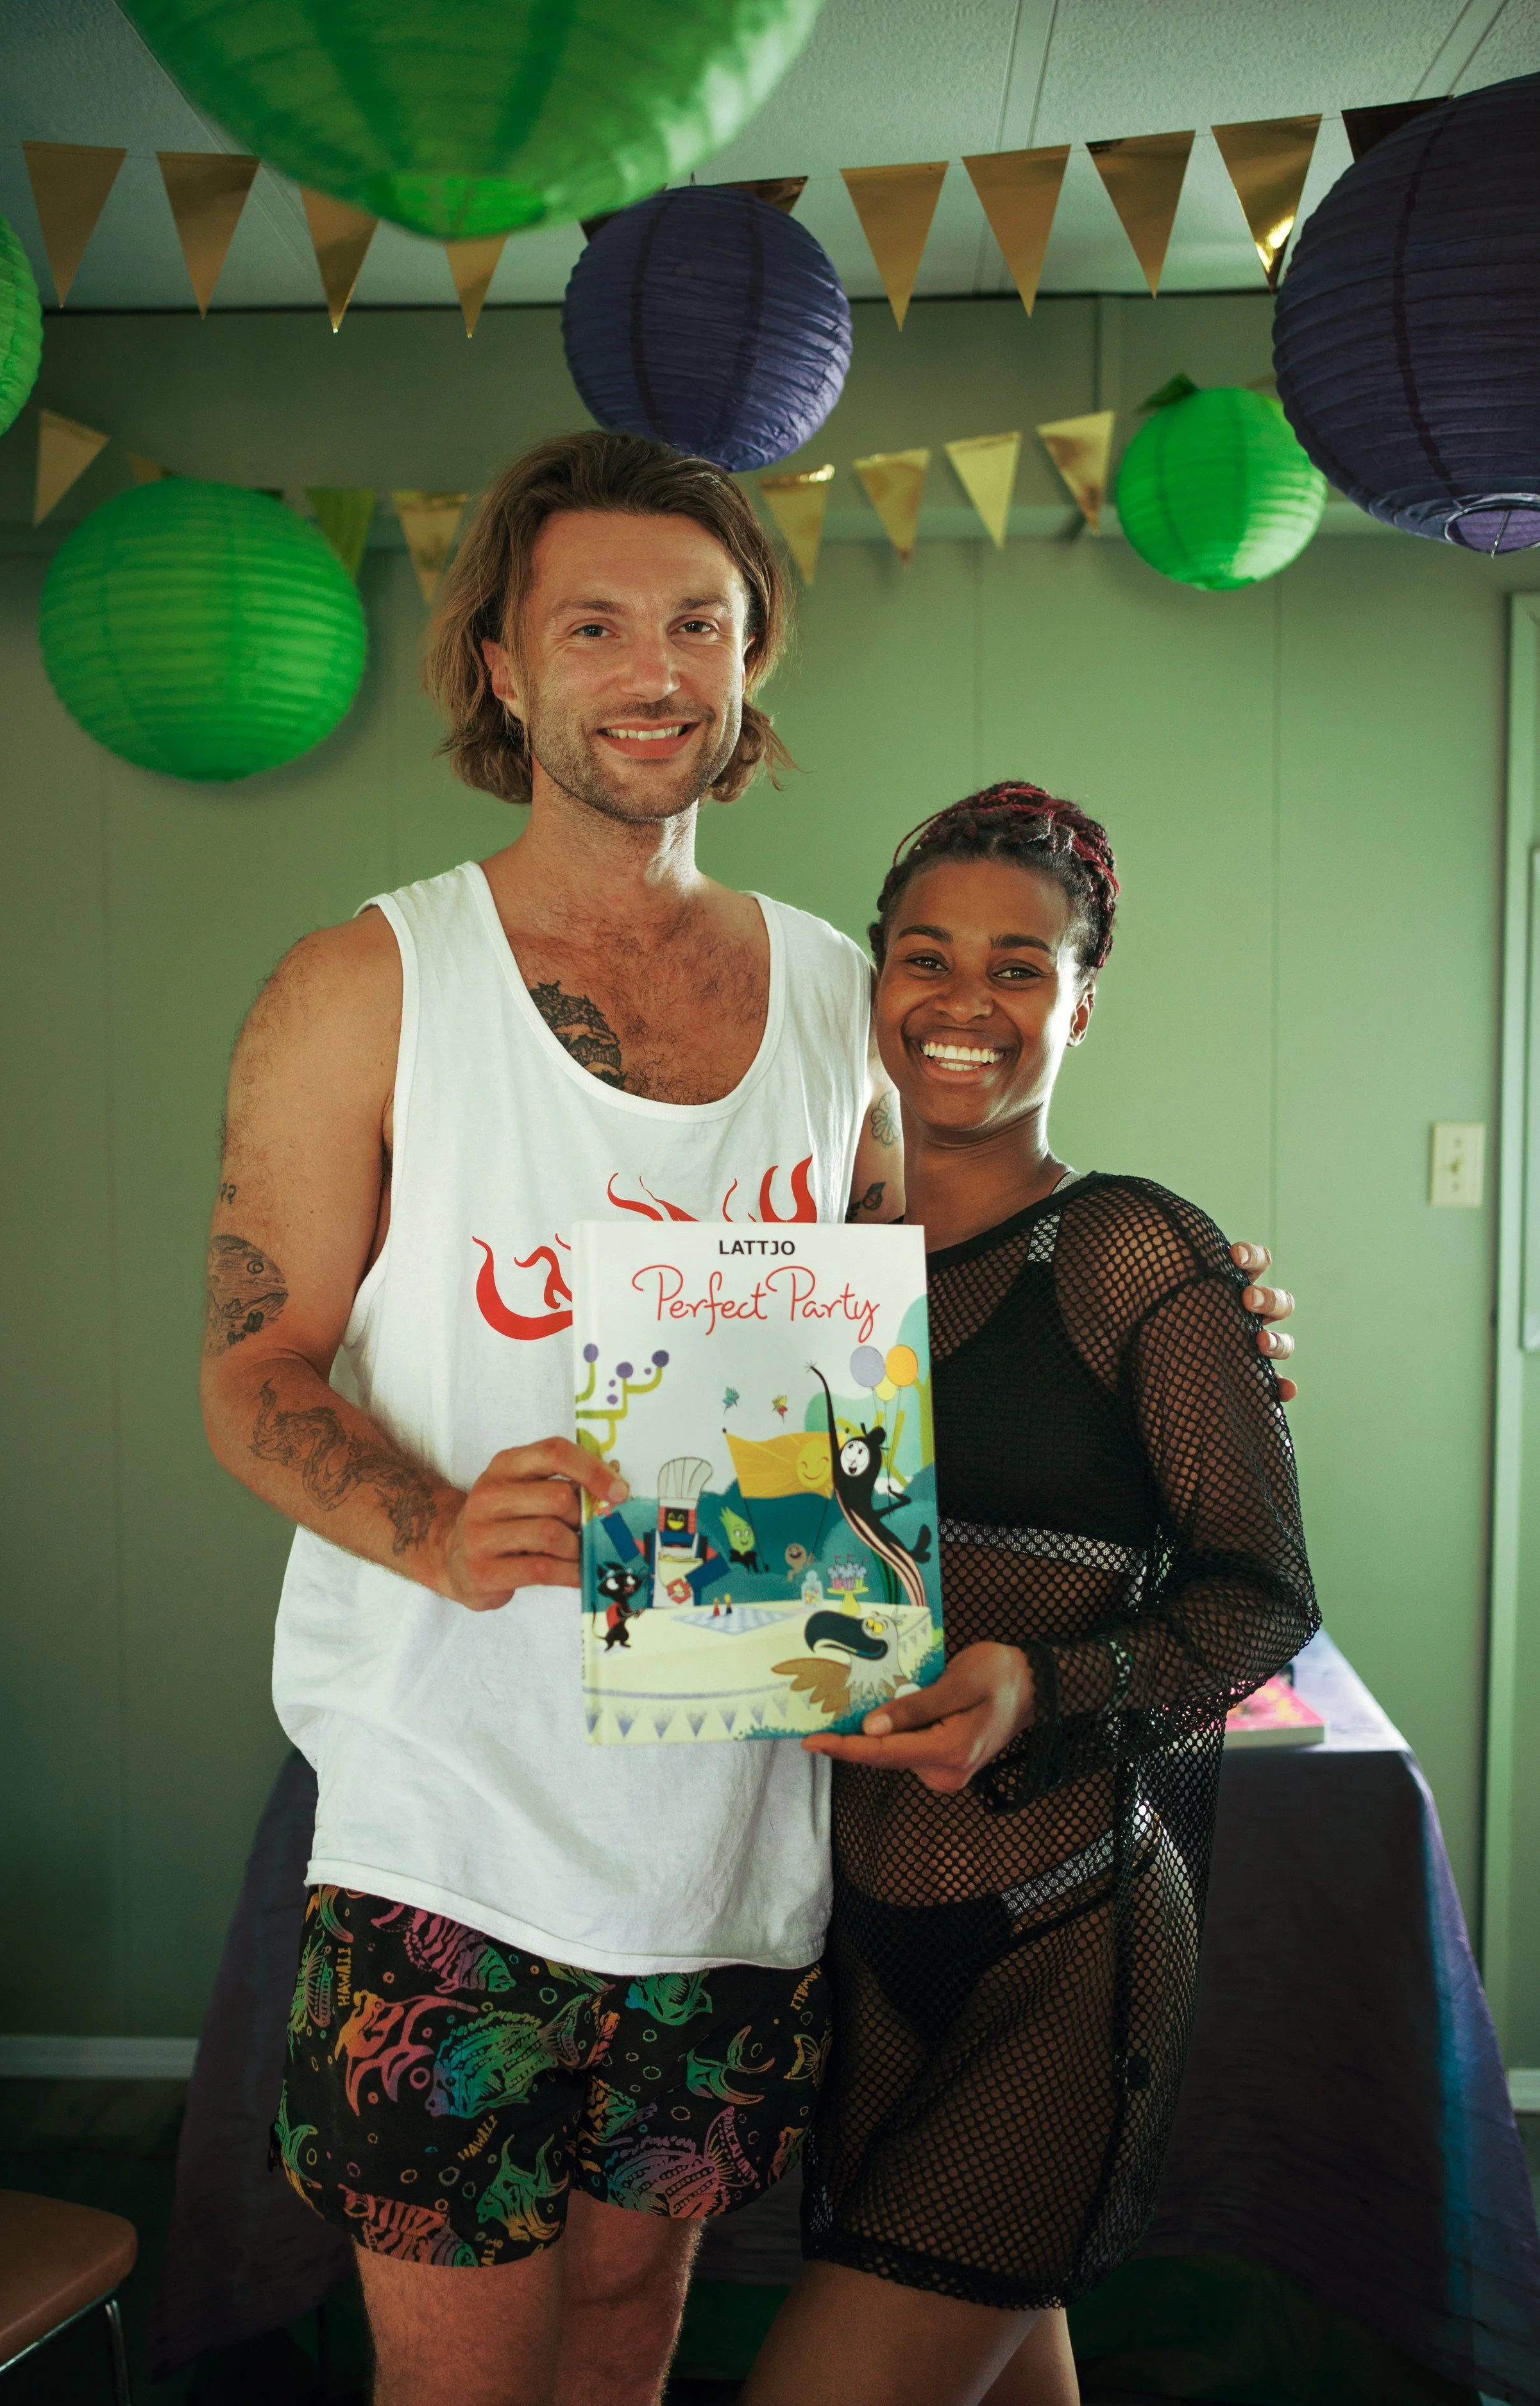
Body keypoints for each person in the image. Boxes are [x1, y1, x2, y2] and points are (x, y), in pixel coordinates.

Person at [198, 433, 1294, 2406]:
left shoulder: (826, 992)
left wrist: (1197, 1324)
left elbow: (920, 1322)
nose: (651, 665)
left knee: (628, 2339)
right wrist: (440, 1524)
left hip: (741, 1843)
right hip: (448, 1826)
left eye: (698, 621)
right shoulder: (366, 981)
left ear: (749, 663)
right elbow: (250, 1370)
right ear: (504, 669)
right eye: (594, 621)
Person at [742, 786, 1319, 2406]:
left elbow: (1258, 1597)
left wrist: (1037, 1688)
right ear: (873, 987)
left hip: (1061, 1937)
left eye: (1018, 965)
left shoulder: (1137, 1254)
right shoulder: (791, 1264)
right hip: (854, 1941)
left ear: (1079, 1000)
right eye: (924, 957)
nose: (963, 1003)